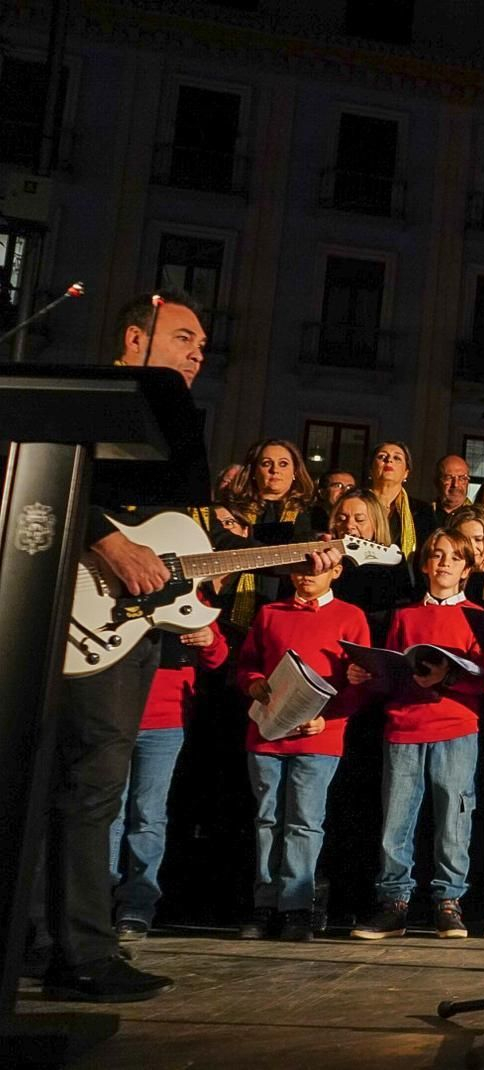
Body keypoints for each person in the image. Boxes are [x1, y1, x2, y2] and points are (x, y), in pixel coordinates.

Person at [39, 289, 337, 1001]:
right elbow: (46, 477)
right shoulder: (89, 397)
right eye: (183, 337)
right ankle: (72, 953)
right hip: (68, 612)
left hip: (131, 634)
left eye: (203, 343)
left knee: (91, 791)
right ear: (133, 340)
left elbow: (177, 546)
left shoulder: (169, 422)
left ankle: (68, 944)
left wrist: (288, 561)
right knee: (75, 788)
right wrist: (109, 544)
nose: (199, 351)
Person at [350, 529, 484, 940]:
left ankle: (449, 901)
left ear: (467, 568)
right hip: (404, 726)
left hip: (456, 726)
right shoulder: (405, 616)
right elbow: (391, 674)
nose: (444, 562)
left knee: (453, 816)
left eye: (454, 557)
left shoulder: (477, 616)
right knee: (397, 818)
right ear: (425, 564)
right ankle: (394, 902)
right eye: (436, 555)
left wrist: (447, 678)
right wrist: (367, 674)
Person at [236, 558, 369, 941]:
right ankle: (265, 904)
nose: (307, 575)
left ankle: (296, 906)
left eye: (317, 568)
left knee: (304, 822)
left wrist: (330, 720)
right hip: (267, 733)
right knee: (267, 819)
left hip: (318, 736)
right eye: (299, 567)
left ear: (337, 571)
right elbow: (246, 665)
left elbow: (359, 683)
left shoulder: (351, 616)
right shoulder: (270, 613)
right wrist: (255, 682)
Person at [109, 623, 229, 943]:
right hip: (114, 716)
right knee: (108, 814)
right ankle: (94, 904)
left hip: (165, 721)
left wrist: (209, 640)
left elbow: (217, 658)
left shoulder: (189, 598)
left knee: (148, 814)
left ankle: (136, 907)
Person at [219, 438, 320, 632]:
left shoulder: (312, 515)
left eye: (283, 464)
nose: (275, 470)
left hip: (288, 610)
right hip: (230, 607)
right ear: (254, 472)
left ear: (295, 472)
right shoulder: (231, 511)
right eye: (266, 464)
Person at [328, 489, 411, 638]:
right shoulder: (326, 559)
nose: (349, 526)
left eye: (359, 520)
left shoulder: (393, 561)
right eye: (341, 519)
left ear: (376, 523)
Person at [366, 441, 433, 577]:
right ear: (370, 469)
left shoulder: (422, 511)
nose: (389, 460)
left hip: (404, 588)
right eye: (381, 456)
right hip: (357, 582)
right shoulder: (354, 503)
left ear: (406, 473)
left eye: (397, 458)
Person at [425, 455, 471, 531]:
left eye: (462, 478)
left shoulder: (477, 517)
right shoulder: (421, 515)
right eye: (448, 478)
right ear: (436, 482)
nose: (455, 484)